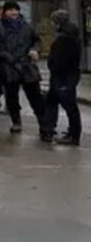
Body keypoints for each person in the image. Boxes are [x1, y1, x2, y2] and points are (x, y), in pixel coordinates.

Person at [0, 1, 43, 133]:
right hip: (8, 66)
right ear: (5, 12)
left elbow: (36, 40)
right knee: (12, 97)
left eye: (16, 10)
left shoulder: (26, 26)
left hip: (26, 65)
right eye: (10, 10)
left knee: (35, 96)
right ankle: (16, 121)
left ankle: (44, 124)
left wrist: (35, 50)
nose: (14, 12)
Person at [41, 10, 83, 146]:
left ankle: (73, 135)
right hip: (67, 75)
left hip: (63, 77)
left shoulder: (64, 38)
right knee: (52, 101)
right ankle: (49, 129)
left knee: (69, 106)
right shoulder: (72, 35)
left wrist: (53, 67)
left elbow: (60, 60)